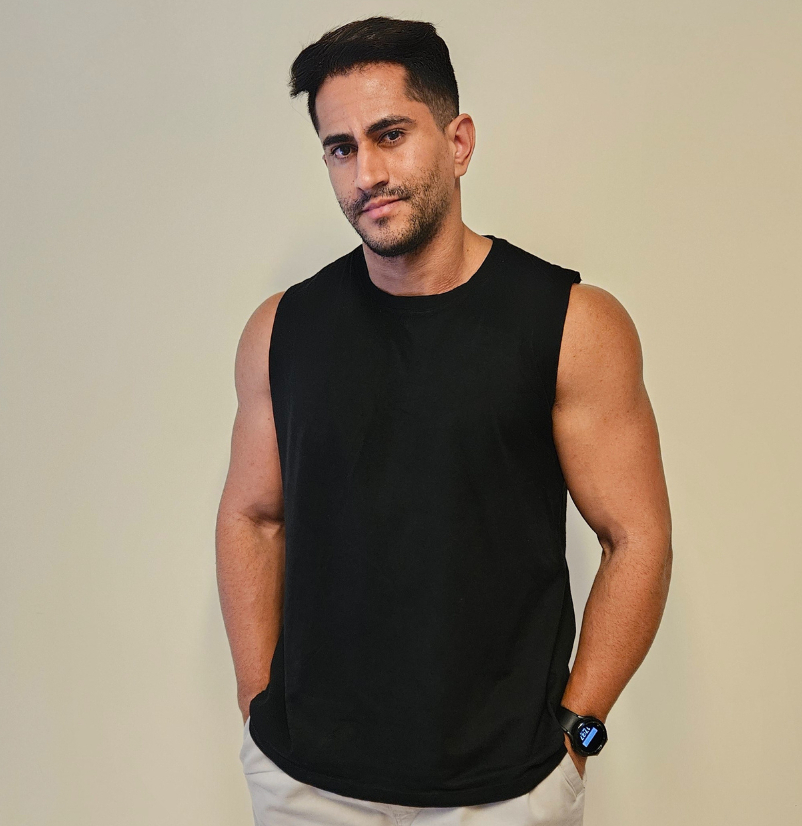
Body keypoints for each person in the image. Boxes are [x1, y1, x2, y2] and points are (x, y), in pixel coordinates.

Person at [216, 15, 672, 826]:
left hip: (505, 790)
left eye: (390, 135)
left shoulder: (572, 325)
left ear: (458, 142)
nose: (367, 172)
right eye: (341, 148)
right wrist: (259, 715)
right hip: (307, 785)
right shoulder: (283, 330)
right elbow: (252, 517)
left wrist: (578, 737)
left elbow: (636, 538)